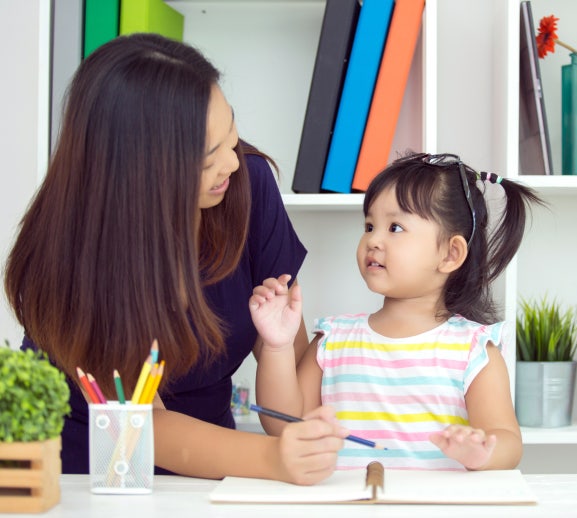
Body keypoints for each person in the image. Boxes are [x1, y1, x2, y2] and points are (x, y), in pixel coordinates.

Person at [3, 33, 347, 484]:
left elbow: (287, 372)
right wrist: (274, 458)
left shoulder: (245, 185)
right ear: (141, 174)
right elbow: (143, 424)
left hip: (215, 467)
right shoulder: (79, 255)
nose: (233, 163)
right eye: (208, 158)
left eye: (231, 132)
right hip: (91, 475)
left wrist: (302, 433)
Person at [249, 152, 543, 470]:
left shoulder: (474, 351)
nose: (373, 240)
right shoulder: (332, 341)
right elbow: (284, 425)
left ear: (450, 254)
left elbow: (508, 443)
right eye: (369, 225)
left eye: (395, 228)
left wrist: (481, 452)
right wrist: (277, 346)